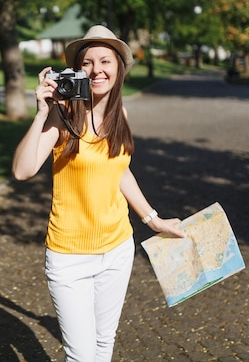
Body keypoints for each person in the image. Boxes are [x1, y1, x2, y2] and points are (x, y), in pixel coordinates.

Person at [12, 25, 186, 362]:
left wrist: (153, 220)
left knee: (104, 345)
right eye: (88, 63)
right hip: (70, 256)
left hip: (118, 250)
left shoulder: (120, 114)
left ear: (119, 68)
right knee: (82, 356)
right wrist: (41, 114)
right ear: (78, 70)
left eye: (105, 60)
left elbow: (118, 169)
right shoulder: (64, 119)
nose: (97, 70)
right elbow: (22, 170)